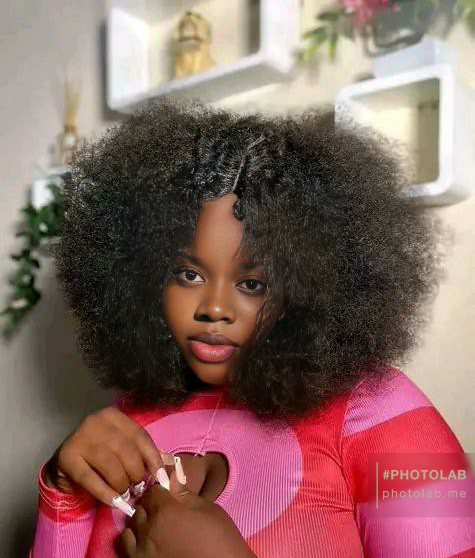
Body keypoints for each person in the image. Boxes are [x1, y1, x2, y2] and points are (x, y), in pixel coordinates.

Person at [29, 97, 474, 557]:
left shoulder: (384, 410)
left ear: (306, 288)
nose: (214, 308)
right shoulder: (130, 419)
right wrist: (62, 491)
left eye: (252, 283)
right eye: (188, 274)